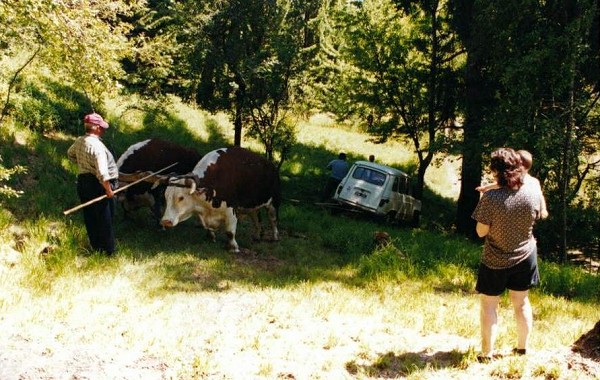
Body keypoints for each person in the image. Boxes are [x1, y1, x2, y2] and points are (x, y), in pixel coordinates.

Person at [471, 147, 544, 362]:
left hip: (495, 259)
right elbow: (540, 213)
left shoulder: (492, 198)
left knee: (489, 306)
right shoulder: (532, 189)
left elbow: (480, 232)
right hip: (526, 255)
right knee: (521, 303)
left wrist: (483, 198)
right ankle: (522, 349)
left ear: (496, 170)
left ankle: (486, 354)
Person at [67, 112, 119, 255]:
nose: (103, 130)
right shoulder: (97, 146)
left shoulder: (79, 141)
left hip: (84, 183)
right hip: (99, 185)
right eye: (101, 127)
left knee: (90, 217)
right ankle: (108, 252)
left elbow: (70, 154)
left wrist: (84, 165)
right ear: (95, 128)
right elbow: (102, 173)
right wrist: (108, 190)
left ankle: (96, 248)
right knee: (105, 218)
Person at [476, 149, 548, 219]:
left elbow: (540, 196)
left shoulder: (525, 180)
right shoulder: (534, 181)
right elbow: (499, 184)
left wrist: (543, 209)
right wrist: (486, 187)